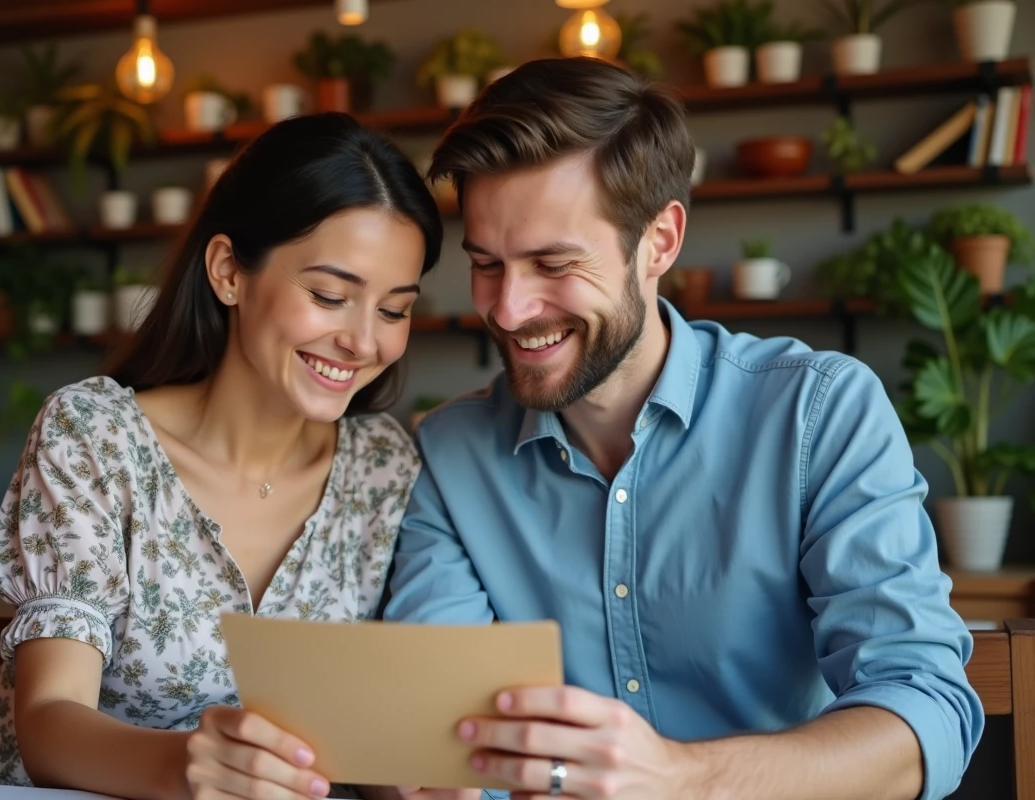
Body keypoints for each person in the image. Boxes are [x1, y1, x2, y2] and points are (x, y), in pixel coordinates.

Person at [384, 57, 983, 800]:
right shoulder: (449, 456)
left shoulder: (818, 414)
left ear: (660, 241)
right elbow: (441, 744)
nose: (508, 309)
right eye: (487, 265)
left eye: (553, 262)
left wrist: (682, 780)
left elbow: (926, 712)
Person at [0, 112, 446, 800]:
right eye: (330, 296)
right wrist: (187, 767)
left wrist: (417, 777)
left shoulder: (386, 468)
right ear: (228, 272)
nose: (363, 341)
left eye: (394, 310)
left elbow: (361, 732)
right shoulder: (96, 436)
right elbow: (47, 724)